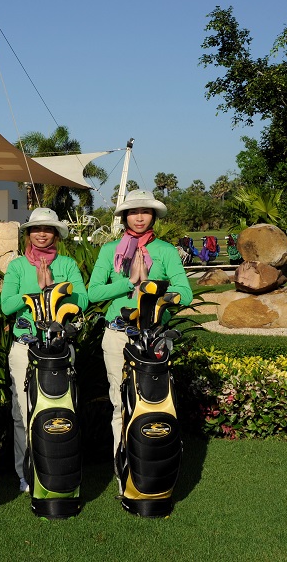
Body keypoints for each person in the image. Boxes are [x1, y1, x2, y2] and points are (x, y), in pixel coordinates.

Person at [87, 189, 192, 484]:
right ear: (124, 217)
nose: (140, 216)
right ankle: (124, 473)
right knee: (120, 402)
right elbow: (93, 292)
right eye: (133, 212)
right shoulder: (110, 251)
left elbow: (185, 292)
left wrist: (153, 291)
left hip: (153, 335)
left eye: (145, 211)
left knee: (153, 402)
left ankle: (153, 470)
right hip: (119, 335)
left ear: (154, 216)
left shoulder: (166, 251)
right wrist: (128, 283)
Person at [0, 207, 88, 493]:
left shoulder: (66, 264)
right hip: (25, 347)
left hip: (60, 349)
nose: (41, 234)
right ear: (28, 233)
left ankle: (56, 467)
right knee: (22, 413)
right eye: (36, 229)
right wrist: (39, 294)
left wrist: (55, 288)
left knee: (60, 410)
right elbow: (6, 305)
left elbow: (83, 300)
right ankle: (26, 473)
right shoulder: (16, 266)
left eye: (47, 229)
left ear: (55, 234)